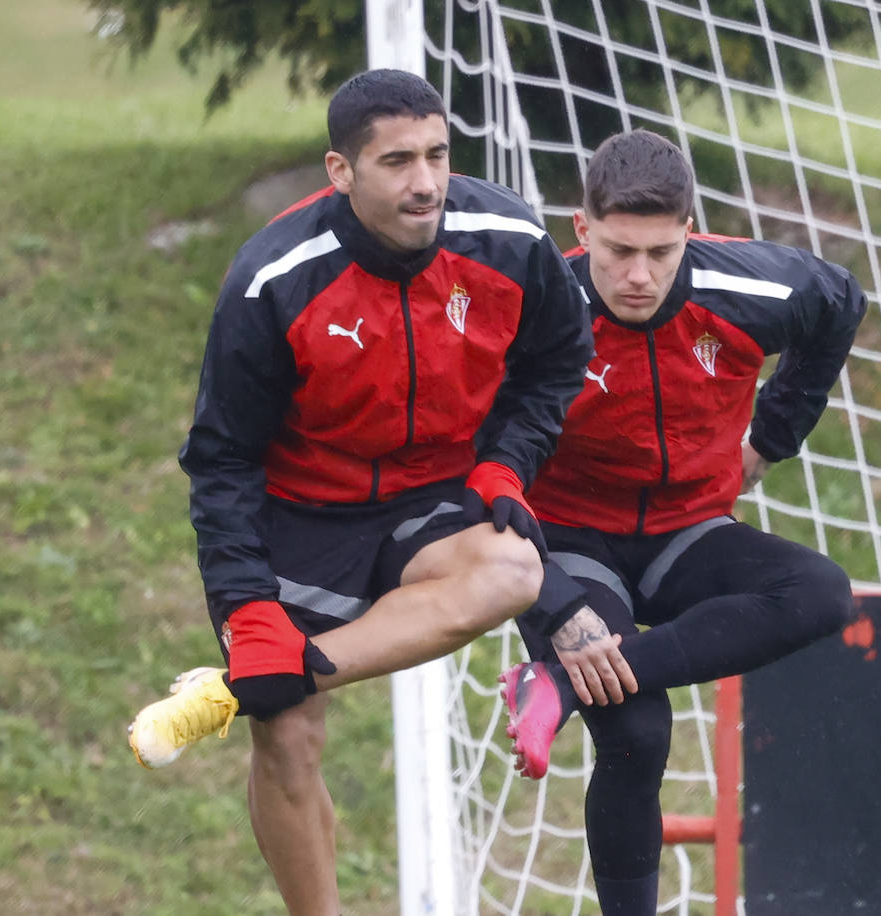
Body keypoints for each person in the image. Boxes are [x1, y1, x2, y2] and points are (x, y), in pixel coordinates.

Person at [125, 69, 592, 916]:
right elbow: (222, 458)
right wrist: (247, 607)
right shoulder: (274, 277)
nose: (426, 182)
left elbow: (560, 360)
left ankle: (249, 681)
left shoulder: (510, 240)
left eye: (439, 155)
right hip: (301, 513)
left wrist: (506, 463)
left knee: (514, 571)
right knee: (290, 734)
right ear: (340, 172)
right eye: (398, 160)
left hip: (434, 501)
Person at [497, 129, 868, 916]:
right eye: (620, 250)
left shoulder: (753, 289)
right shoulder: (532, 311)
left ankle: (555, 685)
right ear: (582, 227)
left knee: (823, 593)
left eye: (662, 253)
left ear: (690, 231)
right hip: (568, 545)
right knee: (637, 731)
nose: (639, 276)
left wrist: (769, 440)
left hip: (689, 534)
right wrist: (549, 602)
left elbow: (841, 302)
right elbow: (478, 478)